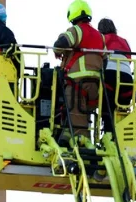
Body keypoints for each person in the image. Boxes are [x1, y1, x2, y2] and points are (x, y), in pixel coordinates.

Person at [53, 0, 106, 139]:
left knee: (74, 111)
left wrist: (58, 51)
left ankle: (79, 139)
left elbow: (60, 45)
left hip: (77, 81)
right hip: (96, 85)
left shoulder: (76, 30)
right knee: (83, 113)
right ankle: (69, 132)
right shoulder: (100, 36)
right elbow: (105, 57)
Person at [98, 18, 134, 132]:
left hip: (109, 74)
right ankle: (121, 134)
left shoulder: (101, 39)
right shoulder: (124, 41)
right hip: (127, 78)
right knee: (122, 108)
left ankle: (108, 134)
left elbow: (98, 57)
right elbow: (129, 59)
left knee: (106, 105)